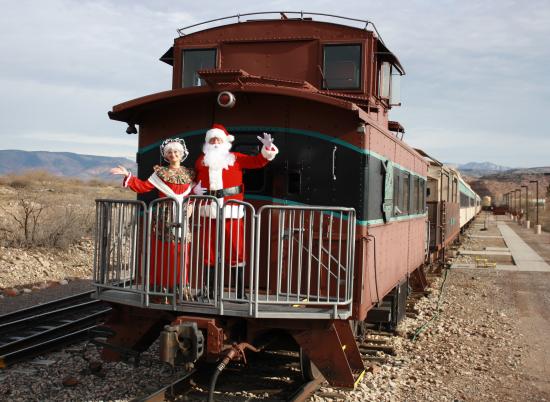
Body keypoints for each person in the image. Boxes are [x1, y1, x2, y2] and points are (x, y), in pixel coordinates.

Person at [194, 123, 278, 299]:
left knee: (236, 249)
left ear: (225, 142)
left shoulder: (236, 158)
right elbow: (194, 180)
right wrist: (195, 189)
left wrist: (267, 148)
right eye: (212, 140)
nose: (215, 142)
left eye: (218, 139)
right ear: (207, 142)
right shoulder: (201, 161)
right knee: (208, 251)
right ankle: (208, 291)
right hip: (208, 211)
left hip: (232, 210)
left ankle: (240, 292)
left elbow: (259, 162)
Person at [111, 138, 201, 300]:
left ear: (182, 154)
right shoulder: (160, 173)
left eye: (176, 152)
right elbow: (143, 187)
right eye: (169, 152)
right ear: (166, 156)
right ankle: (162, 287)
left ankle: (180, 286)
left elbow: (194, 193)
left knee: (181, 252)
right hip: (163, 217)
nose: (173, 154)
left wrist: (192, 205)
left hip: (183, 215)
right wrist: (128, 176)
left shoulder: (189, 174)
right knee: (164, 251)